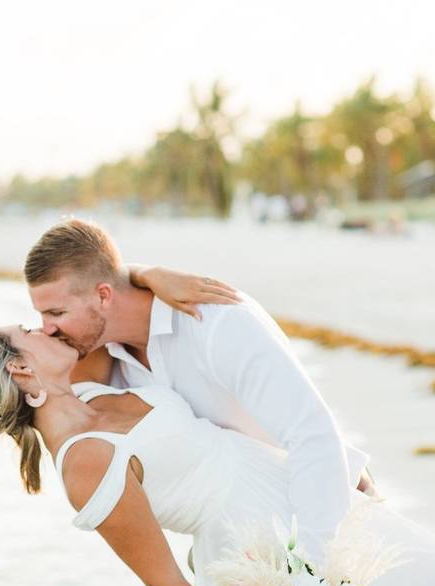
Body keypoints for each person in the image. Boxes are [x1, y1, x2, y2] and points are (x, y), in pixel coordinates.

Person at [0, 324, 435, 586]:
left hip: (299, 497)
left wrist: (157, 274)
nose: (44, 327)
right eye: (28, 330)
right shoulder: (84, 461)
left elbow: (111, 299)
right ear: (20, 367)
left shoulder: (93, 388)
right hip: (265, 553)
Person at [22, 219, 374, 559]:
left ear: (103, 296)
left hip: (337, 524)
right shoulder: (101, 364)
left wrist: (314, 572)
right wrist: (145, 273)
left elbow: (313, 436)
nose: (47, 329)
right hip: (254, 553)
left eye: (55, 313)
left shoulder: (215, 324)